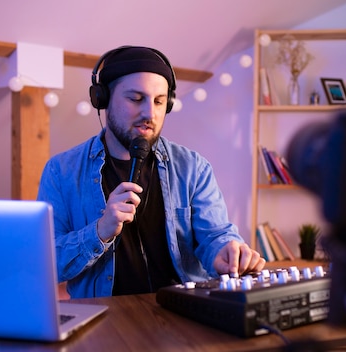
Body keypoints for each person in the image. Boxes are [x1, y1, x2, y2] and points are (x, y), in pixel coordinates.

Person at [37, 45, 265, 298]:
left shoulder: (193, 167)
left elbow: (215, 235)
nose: (149, 113)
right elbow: (46, 263)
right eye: (135, 99)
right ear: (102, 99)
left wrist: (226, 252)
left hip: (183, 311)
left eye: (159, 101)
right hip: (102, 319)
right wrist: (99, 231)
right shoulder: (61, 172)